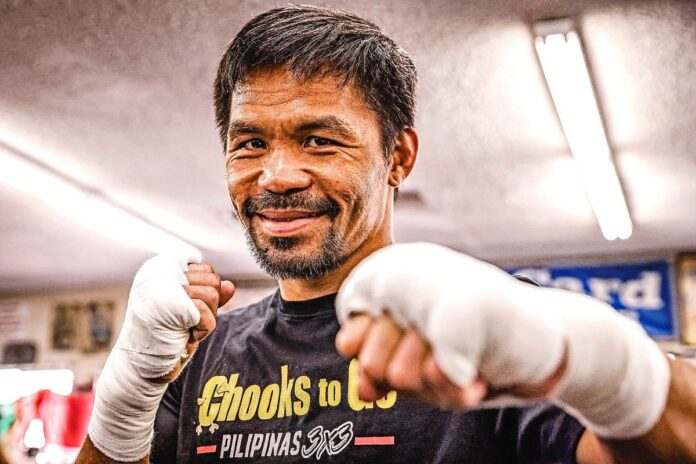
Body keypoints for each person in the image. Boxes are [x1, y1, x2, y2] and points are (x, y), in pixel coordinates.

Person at [77, 5, 696, 463]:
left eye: (319, 140)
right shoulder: (201, 352)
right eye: (250, 143)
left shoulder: (485, 330)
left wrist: (595, 361)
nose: (277, 175)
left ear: (398, 157)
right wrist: (123, 399)